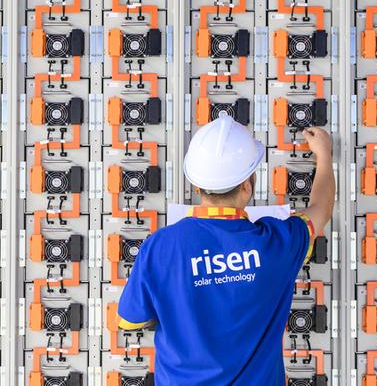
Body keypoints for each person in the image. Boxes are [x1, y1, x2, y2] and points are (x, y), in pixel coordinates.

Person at [117, 114, 336, 385]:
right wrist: (324, 155)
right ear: (247, 185)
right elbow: (321, 209)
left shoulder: (159, 246)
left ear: (197, 186)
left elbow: (130, 320)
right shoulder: (277, 242)